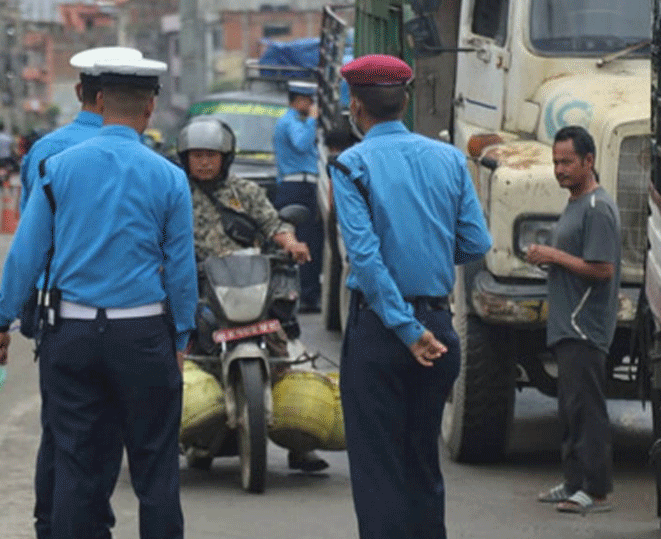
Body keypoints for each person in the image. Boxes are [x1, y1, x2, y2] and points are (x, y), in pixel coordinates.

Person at [0, 51, 197, 539]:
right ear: (149, 110)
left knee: (77, 467)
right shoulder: (169, 176)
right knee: (155, 470)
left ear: (99, 104)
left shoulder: (57, 168)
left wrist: (1, 322)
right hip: (144, 334)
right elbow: (181, 271)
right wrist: (181, 335)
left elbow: (26, 257)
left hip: (72, 335)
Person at [330, 54, 491, 539]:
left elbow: (366, 259)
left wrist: (404, 328)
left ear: (357, 107)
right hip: (438, 330)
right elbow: (475, 243)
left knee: (379, 475)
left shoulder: (352, 165)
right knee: (423, 467)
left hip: (382, 334)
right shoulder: (447, 158)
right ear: (406, 102)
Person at [16, 46, 145, 539]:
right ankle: (91, 524)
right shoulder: (142, 152)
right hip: (128, 314)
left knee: (62, 428)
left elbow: (30, 242)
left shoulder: (47, 149)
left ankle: (50, 523)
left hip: (56, 309)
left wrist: (7, 314)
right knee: (104, 431)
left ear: (81, 93)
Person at [176, 116, 327, 473]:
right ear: (185, 158)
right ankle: (192, 435)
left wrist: (292, 243)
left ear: (226, 157)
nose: (204, 162)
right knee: (189, 353)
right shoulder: (174, 191)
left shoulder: (244, 191)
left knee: (282, 346)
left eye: (212, 155)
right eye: (196, 155)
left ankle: (299, 443)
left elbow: (273, 223)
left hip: (246, 282)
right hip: (197, 289)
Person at [528, 125, 621, 516]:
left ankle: (595, 491)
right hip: (567, 326)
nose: (560, 169)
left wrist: (553, 256)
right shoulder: (576, 202)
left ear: (589, 161)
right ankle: (573, 482)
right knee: (570, 408)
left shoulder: (598, 208)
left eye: (567, 162)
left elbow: (603, 269)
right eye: (556, 162)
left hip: (585, 328)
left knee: (587, 410)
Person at [273, 80, 324, 312]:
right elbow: (302, 144)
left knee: (304, 239)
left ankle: (305, 293)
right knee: (305, 240)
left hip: (296, 185)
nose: (311, 105)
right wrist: (313, 119)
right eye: (308, 101)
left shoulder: (292, 120)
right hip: (298, 186)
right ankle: (306, 295)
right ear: (298, 101)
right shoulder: (291, 121)